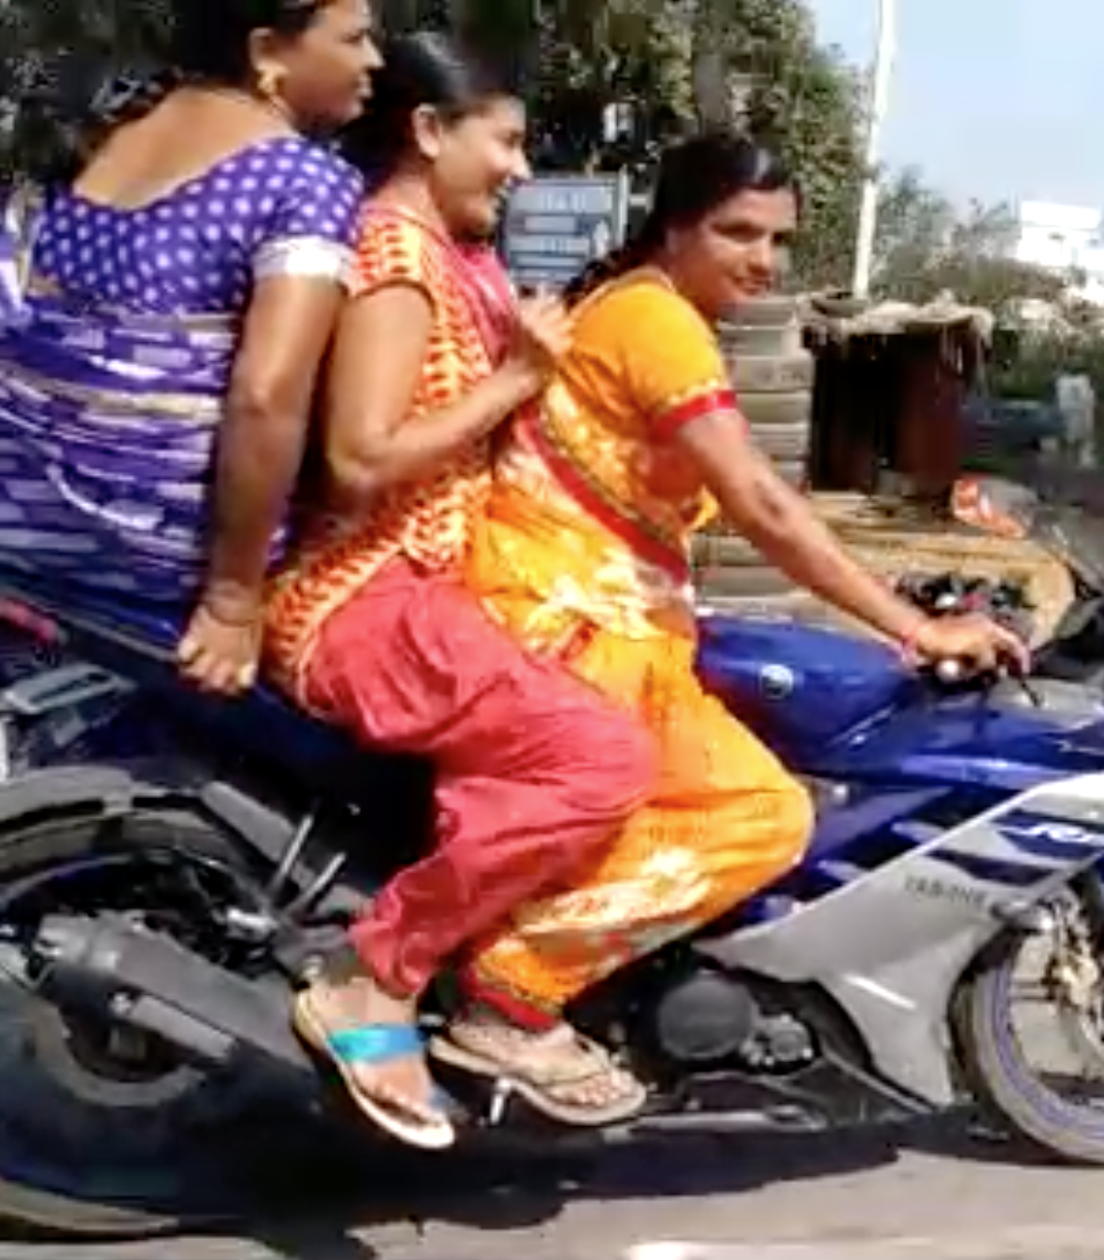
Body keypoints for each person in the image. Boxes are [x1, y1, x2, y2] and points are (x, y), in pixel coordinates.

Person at [442, 133, 1028, 1116]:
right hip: (571, 625)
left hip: (589, 613)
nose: (763, 259)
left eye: (778, 240)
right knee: (763, 813)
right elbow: (759, 502)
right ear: (673, 228)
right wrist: (910, 627)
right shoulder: (655, 323)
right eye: (736, 232)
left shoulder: (639, 308)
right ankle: (512, 992)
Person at [265, 32, 658, 1149]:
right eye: (508, 141)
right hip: (364, 600)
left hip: (433, 592)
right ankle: (376, 978)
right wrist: (518, 377)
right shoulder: (392, 257)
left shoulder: (457, 254)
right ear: (430, 133)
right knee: (599, 759)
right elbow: (360, 457)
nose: (522, 170)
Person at [0, 0, 380, 694]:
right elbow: (266, 397)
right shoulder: (302, 182)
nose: (373, 61)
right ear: (267, 52)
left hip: (24, 533)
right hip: (150, 556)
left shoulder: (96, 134)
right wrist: (233, 600)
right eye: (354, 39)